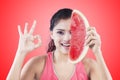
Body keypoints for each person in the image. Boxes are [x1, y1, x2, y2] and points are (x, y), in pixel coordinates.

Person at [7, 8, 112, 80]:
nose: (67, 38)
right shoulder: (37, 64)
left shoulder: (89, 66)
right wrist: (21, 52)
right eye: (60, 32)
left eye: (72, 32)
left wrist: (97, 52)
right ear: (52, 34)